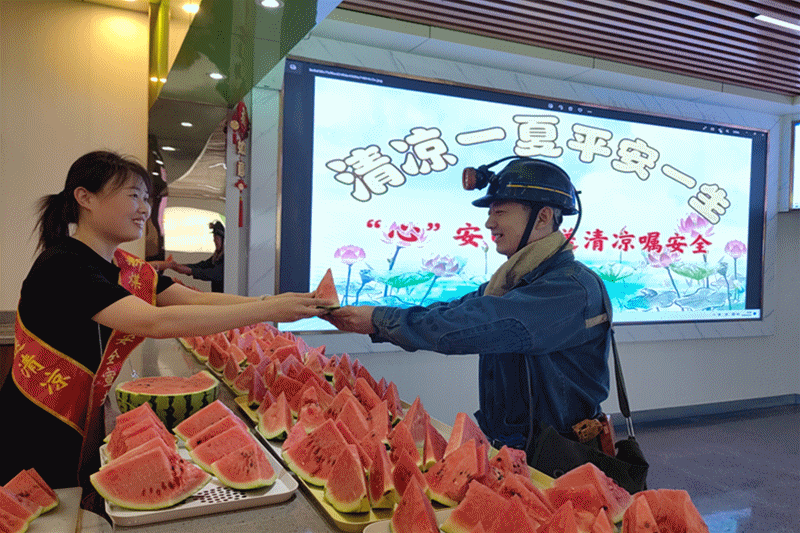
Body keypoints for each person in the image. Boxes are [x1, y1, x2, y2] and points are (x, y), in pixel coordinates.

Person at [1, 150, 335, 513]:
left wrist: (273, 300)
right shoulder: (64, 264)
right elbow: (154, 321)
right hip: (40, 424)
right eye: (133, 195)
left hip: (80, 413)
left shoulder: (122, 266)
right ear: (85, 198)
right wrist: (269, 311)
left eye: (147, 198)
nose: (144, 209)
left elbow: (194, 300)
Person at [325, 157, 612, 452]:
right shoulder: (513, 280)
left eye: (499, 212)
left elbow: (473, 324)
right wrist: (375, 320)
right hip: (512, 444)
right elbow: (455, 311)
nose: (489, 223)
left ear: (542, 217)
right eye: (489, 213)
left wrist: (378, 320)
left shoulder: (570, 289)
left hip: (558, 453)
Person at [151, 220, 225, 292]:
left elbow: (211, 273)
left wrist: (185, 269)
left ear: (224, 240)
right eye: (214, 238)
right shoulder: (216, 257)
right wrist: (179, 266)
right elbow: (202, 265)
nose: (214, 241)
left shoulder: (225, 259)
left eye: (216, 238)